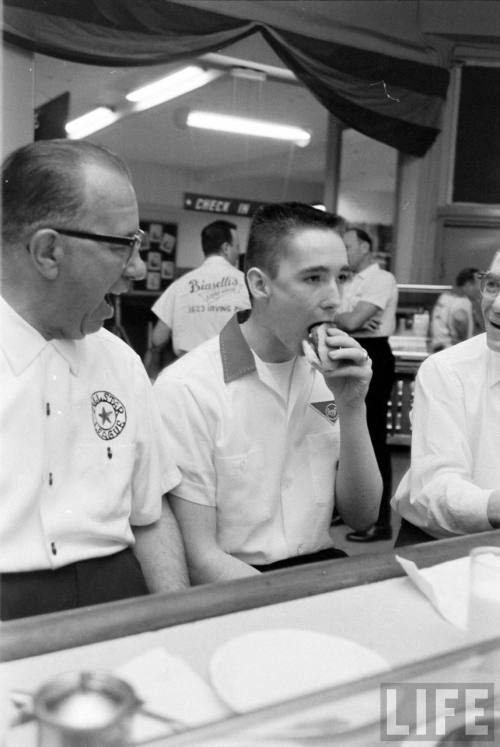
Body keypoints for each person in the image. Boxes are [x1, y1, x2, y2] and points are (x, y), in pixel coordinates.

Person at [0, 139, 189, 620]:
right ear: (48, 251)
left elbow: (150, 516)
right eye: (121, 246)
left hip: (117, 596)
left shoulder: (122, 364)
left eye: (139, 244)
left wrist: (179, 618)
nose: (139, 268)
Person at [153, 202, 382, 583]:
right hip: (236, 583)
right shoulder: (189, 389)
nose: (335, 300)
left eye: (341, 278)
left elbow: (363, 516)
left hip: (321, 565)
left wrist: (353, 407)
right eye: (312, 279)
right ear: (259, 285)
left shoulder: (330, 373)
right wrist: (292, 605)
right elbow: (200, 558)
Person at [392, 250, 500, 545]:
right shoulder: (447, 370)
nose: (497, 306)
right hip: (439, 546)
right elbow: (436, 488)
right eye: (494, 285)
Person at [333, 227, 398, 542]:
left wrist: (347, 318)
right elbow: (340, 318)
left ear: (364, 246)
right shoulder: (346, 280)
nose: (343, 253)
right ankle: (344, 509)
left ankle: (380, 521)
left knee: (372, 435)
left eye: (347, 247)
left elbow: (352, 321)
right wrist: (346, 318)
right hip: (346, 349)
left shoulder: (380, 279)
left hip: (373, 353)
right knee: (337, 431)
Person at [148, 219, 250, 367]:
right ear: (226, 248)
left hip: (189, 370)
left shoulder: (179, 285)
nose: (238, 252)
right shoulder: (247, 284)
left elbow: (158, 338)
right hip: (233, 370)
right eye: (237, 247)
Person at [429, 267, 482, 352]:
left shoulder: (444, 298)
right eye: (480, 284)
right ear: (469, 284)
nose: (482, 289)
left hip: (439, 348)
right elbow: (461, 320)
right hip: (452, 351)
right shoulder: (463, 303)